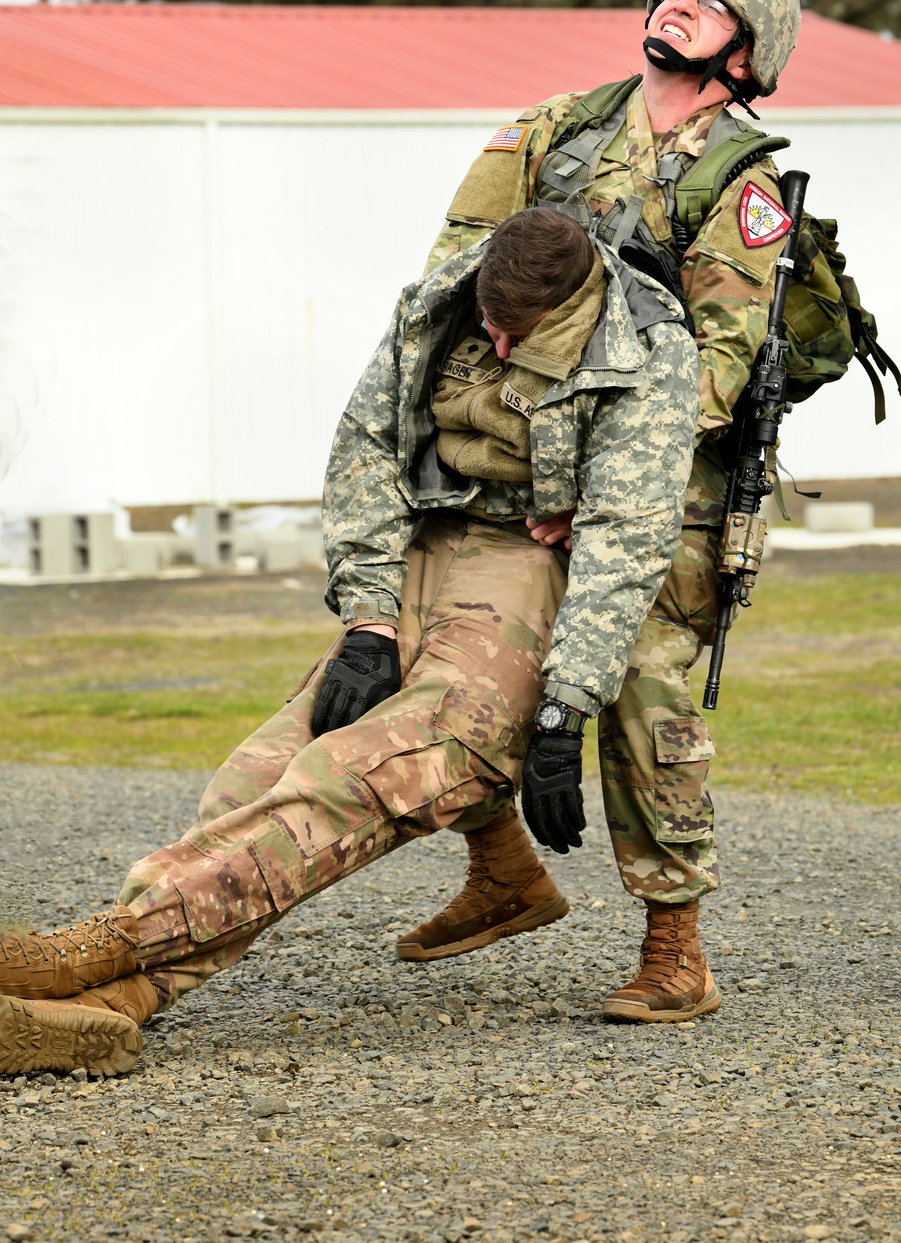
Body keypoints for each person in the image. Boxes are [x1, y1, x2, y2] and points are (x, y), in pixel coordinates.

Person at [0, 206, 699, 1078]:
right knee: (257, 776)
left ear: (568, 307)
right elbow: (364, 445)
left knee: (361, 775)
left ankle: (90, 959)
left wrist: (565, 702)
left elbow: (627, 538)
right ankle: (112, 1004)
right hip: (426, 548)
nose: (498, 346)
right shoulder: (446, 296)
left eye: (518, 335)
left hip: (534, 564)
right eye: (492, 327)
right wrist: (369, 622)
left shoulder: (646, 349)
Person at [393, 0, 806, 1023]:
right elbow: (456, 278)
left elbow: (721, 361)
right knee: (439, 645)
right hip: (522, 448)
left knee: (639, 686)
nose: (676, 5)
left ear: (747, 50)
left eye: (705, 3)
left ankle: (676, 949)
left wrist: (610, 460)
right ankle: (501, 871)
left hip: (667, 479)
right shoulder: (554, 130)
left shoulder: (740, 180)